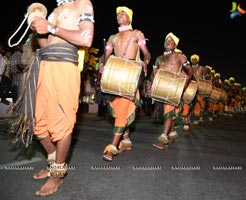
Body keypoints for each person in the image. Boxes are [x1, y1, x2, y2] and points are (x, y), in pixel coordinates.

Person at [18, 0, 94, 196]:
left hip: (65, 66)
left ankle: (57, 174)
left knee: (62, 124)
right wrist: (38, 26)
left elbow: (86, 38)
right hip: (44, 64)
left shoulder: (82, 4)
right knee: (36, 123)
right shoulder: (55, 11)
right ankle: (54, 162)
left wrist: (51, 26)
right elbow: (45, 43)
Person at [100, 6, 151, 161]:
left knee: (122, 111)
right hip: (115, 75)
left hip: (130, 76)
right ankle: (126, 140)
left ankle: (113, 147)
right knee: (116, 110)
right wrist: (101, 64)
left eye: (123, 13)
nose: (119, 15)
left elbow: (146, 52)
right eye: (118, 14)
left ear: (130, 17)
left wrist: (146, 62)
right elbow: (106, 54)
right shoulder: (112, 37)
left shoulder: (137, 34)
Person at [152, 32, 192, 150]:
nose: (168, 42)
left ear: (175, 44)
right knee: (167, 112)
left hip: (173, 89)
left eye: (171, 40)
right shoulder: (159, 58)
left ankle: (163, 137)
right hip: (161, 89)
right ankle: (173, 133)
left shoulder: (180, 56)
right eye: (167, 40)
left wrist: (185, 83)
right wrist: (152, 85)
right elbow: (154, 74)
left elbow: (190, 71)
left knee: (168, 111)